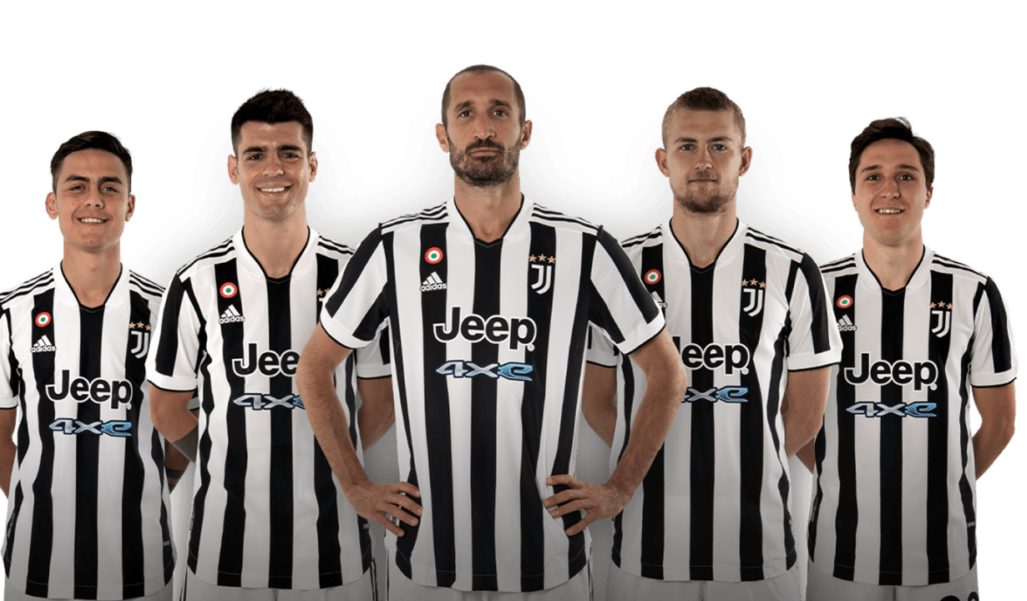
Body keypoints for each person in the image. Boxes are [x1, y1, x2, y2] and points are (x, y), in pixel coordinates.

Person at [295, 64, 686, 600]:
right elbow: (314, 368)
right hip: (425, 562)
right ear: (442, 136)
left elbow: (668, 373)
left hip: (549, 564)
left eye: (499, 112)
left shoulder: (585, 247)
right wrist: (355, 485)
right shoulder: (392, 246)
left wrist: (619, 488)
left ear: (525, 132)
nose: (483, 128)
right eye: (466, 113)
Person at [584, 85, 842, 601]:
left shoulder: (794, 270)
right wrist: (655, 457)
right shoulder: (618, 268)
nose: (703, 161)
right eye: (687, 146)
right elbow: (596, 400)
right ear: (663, 161)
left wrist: (748, 462)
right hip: (645, 549)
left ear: (744, 160)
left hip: (759, 553)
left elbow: (807, 414)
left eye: (719, 146)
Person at [147, 88, 392, 600]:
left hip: (337, 552)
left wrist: (329, 456)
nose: (273, 168)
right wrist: (225, 456)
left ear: (313, 166)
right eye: (256, 154)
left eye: (289, 153)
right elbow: (166, 406)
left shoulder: (355, 274)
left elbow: (382, 400)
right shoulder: (194, 281)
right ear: (233, 169)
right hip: (222, 554)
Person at [799, 116, 1017, 600]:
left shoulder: (975, 292)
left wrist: (945, 485)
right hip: (841, 553)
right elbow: (789, 411)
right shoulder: (815, 292)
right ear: (853, 195)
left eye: (906, 175)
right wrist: (839, 475)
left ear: (929, 192)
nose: (890, 190)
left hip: (943, 555)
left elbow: (1001, 422)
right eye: (873, 176)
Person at [0, 130, 181, 600]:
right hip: (36, 565)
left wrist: (156, 484)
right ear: (52, 204)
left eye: (110, 187)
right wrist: (35, 497)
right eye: (77, 186)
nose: (94, 199)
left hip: (141, 564)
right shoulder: (11, 310)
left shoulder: (169, 311)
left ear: (131, 205)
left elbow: (189, 420)